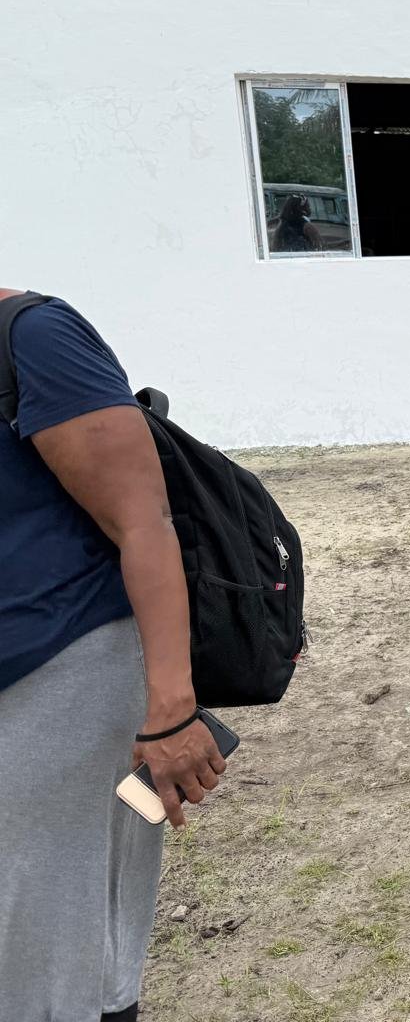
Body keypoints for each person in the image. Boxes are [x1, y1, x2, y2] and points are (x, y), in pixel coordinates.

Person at [0, 289, 226, 1022]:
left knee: (46, 945)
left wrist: (172, 713)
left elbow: (144, 523)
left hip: (57, 674)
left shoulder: (33, 335)